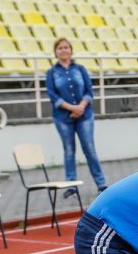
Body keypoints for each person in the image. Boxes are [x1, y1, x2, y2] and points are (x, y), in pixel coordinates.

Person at [45, 37, 106, 199]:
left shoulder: (80, 69)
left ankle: (101, 184)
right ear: (55, 52)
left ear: (70, 50)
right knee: (69, 151)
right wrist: (72, 108)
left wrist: (81, 107)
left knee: (90, 150)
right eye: (60, 48)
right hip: (63, 118)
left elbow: (89, 91)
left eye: (66, 47)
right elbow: (53, 96)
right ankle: (71, 186)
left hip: (84, 115)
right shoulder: (51, 73)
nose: (63, 50)